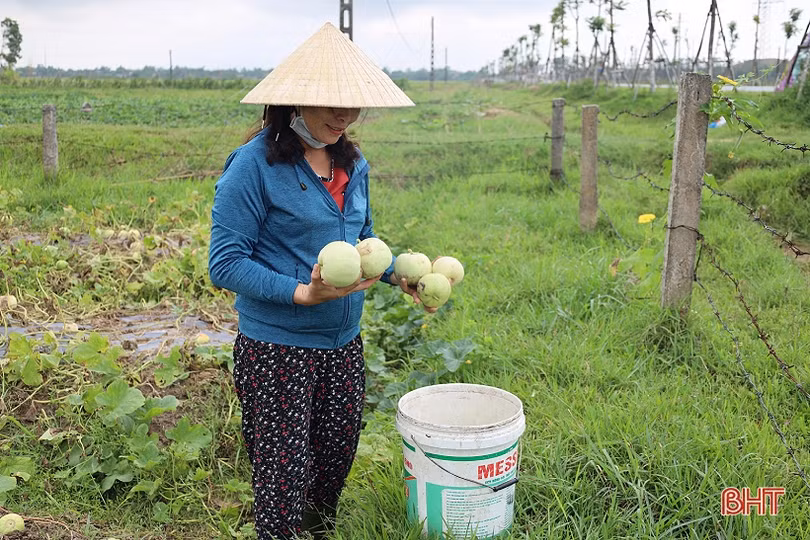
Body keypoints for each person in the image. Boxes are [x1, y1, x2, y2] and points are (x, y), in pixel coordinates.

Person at [208, 22, 431, 540]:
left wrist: (399, 274)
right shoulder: (253, 166)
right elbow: (225, 263)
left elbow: (364, 240)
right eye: (331, 102)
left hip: (343, 342)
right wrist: (302, 292)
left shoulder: (352, 162)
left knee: (332, 466)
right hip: (276, 347)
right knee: (282, 481)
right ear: (294, 100)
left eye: (352, 103)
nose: (344, 115)